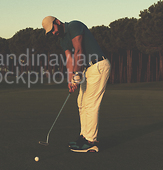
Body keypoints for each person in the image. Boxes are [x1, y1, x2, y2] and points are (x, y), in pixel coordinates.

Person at [42, 16, 111, 153]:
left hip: (98, 65)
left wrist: (76, 74)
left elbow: (79, 50)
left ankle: (91, 141)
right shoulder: (62, 40)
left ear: (57, 22)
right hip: (87, 69)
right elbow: (69, 60)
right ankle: (84, 136)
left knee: (90, 103)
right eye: (50, 33)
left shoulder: (74, 26)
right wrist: (70, 79)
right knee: (81, 102)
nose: (53, 33)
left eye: (53, 29)